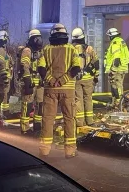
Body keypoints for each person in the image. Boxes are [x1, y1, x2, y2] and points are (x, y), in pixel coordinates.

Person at [37, 23, 82, 158]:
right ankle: (70, 151)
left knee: (48, 119)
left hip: (50, 89)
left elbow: (41, 68)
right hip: (67, 89)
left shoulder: (46, 50)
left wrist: (51, 80)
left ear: (52, 35)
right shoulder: (71, 49)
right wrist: (63, 80)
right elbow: (76, 68)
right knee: (69, 118)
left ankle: (44, 149)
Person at [18, 29, 44, 135]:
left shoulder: (40, 52)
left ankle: (37, 126)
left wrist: (43, 79)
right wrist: (28, 82)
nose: (39, 41)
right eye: (36, 38)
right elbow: (25, 67)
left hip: (39, 84)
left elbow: (43, 66)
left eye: (39, 38)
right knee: (27, 106)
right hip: (29, 83)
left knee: (40, 105)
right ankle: (25, 129)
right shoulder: (27, 51)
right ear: (32, 39)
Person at [71, 27, 99, 126]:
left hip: (76, 79)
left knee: (78, 99)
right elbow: (96, 63)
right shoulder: (89, 48)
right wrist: (96, 76)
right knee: (88, 98)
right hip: (89, 79)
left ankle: (80, 122)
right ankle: (90, 121)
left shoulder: (71, 49)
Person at [104, 27, 129, 108]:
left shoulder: (115, 42)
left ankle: (119, 104)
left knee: (117, 86)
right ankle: (115, 103)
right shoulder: (120, 41)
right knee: (116, 86)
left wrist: (113, 70)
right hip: (122, 68)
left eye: (109, 36)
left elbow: (116, 59)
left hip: (117, 69)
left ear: (112, 36)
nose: (108, 38)